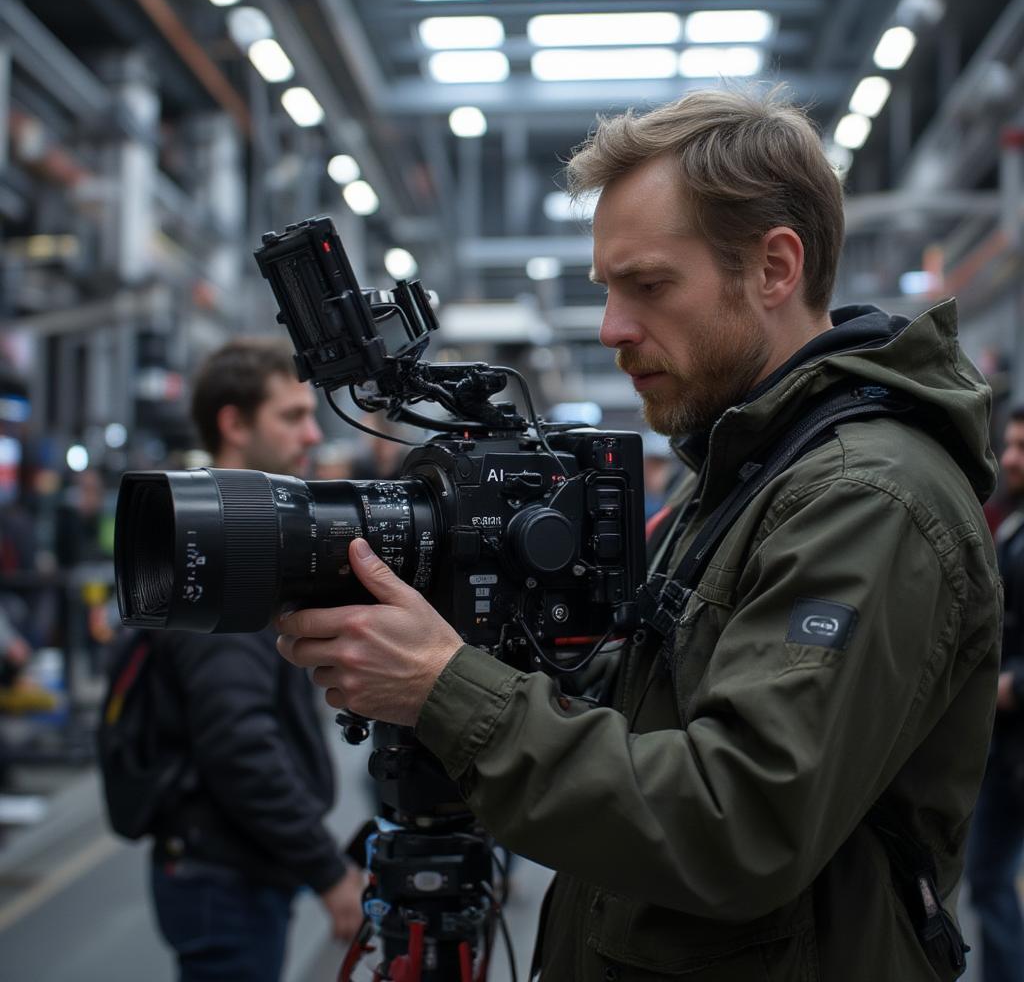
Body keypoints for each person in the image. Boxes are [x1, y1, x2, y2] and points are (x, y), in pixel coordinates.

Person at [276, 89, 1002, 980]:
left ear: (775, 268)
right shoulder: (743, 473)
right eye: (608, 290)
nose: (614, 328)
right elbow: (649, 710)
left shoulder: (868, 498)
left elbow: (738, 824)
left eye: (650, 285)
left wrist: (448, 690)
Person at [148, 339, 363, 982]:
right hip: (225, 874)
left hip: (230, 865)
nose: (310, 433)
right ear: (234, 424)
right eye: (290, 416)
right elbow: (238, 744)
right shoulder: (218, 555)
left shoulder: (225, 539)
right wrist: (329, 872)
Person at [967, 408, 1024, 981]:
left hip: (1013, 741)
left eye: (1022, 448)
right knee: (987, 881)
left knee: (989, 882)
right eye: (1009, 445)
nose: (1009, 459)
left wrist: (1012, 684)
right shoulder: (1010, 523)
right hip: (1005, 751)